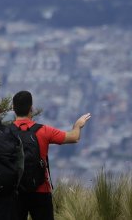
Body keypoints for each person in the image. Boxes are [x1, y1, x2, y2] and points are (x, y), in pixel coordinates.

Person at [10, 90, 91, 220]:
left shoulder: (5, 132)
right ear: (31, 108)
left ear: (13, 108)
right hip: (41, 189)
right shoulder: (44, 130)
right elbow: (74, 137)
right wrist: (78, 125)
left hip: (14, 191)